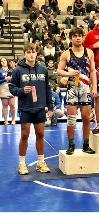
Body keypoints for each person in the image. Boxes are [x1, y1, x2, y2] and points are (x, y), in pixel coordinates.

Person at [9, 43, 54, 175]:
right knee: (24, 135)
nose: (31, 54)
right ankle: (22, 164)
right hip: (25, 108)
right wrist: (22, 90)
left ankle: (41, 162)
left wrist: (50, 106)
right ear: (24, 54)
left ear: (36, 54)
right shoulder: (18, 70)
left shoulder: (43, 70)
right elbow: (12, 88)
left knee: (40, 134)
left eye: (33, 51)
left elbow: (47, 89)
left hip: (40, 107)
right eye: (28, 52)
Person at [57, 27, 97, 155]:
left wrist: (94, 87)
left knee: (86, 118)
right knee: (71, 119)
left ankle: (86, 145)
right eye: (75, 36)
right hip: (72, 89)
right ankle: (71, 145)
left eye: (80, 35)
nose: (78, 38)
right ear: (71, 38)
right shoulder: (66, 54)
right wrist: (68, 74)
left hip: (85, 89)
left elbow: (92, 71)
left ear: (83, 37)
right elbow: (59, 71)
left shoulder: (89, 52)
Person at [0, 57, 16, 125]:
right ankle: (5, 120)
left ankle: (13, 120)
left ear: (7, 61)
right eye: (2, 61)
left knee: (12, 105)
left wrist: (11, 79)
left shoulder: (12, 70)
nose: (3, 62)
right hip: (3, 87)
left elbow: (16, 80)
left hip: (11, 87)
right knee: (5, 105)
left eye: (4, 60)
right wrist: (5, 79)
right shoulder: (0, 71)